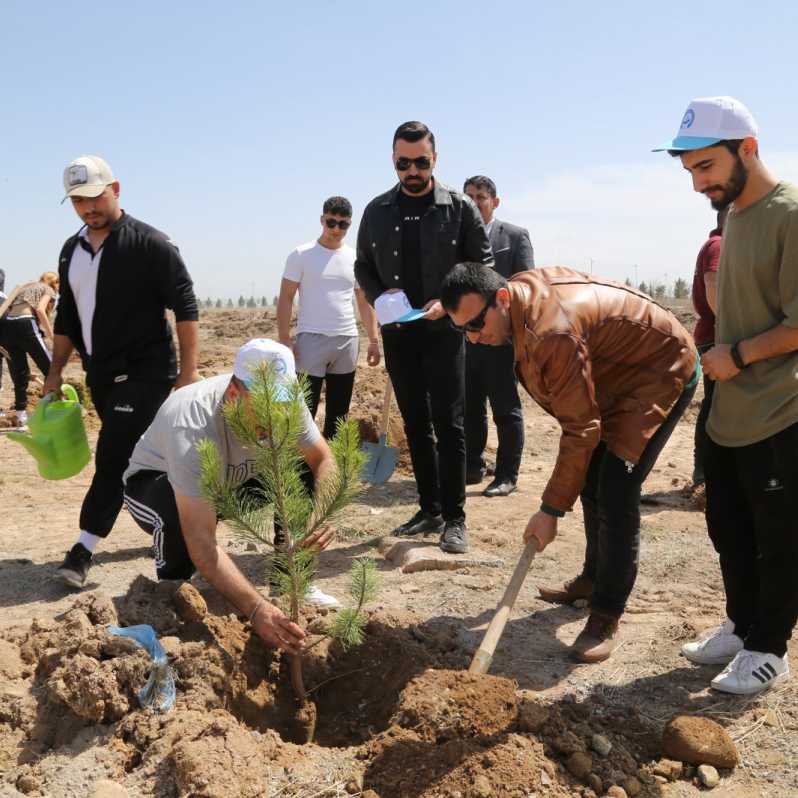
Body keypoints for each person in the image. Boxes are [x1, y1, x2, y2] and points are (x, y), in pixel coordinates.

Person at [440, 263, 698, 663]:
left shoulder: (551, 332)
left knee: (615, 488)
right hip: (615, 376)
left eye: (475, 324)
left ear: (502, 298)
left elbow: (580, 428)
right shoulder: (519, 307)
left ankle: (606, 615)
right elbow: (582, 424)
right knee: (593, 477)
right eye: (462, 330)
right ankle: (594, 579)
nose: (473, 339)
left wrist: (550, 510)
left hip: (661, 371)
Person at [656, 96, 798, 694]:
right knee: (728, 524)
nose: (698, 184)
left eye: (706, 167)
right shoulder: (734, 213)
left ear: (748, 149)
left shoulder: (789, 214)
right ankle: (741, 627)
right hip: (727, 402)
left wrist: (737, 356)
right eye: (690, 171)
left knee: (778, 534)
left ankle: (770, 647)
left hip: (779, 407)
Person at [46, 155, 200, 589]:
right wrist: (55, 372)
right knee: (147, 457)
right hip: (100, 373)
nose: (88, 207)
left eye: (95, 196)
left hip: (146, 370)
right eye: (78, 200)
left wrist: (187, 374)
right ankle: (180, 522)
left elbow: (185, 306)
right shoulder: (70, 251)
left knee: (113, 454)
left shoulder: (151, 244)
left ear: (115, 189)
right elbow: (67, 318)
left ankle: (83, 548)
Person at [122, 339, 338, 649]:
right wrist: (256, 608)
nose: (276, 418)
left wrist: (322, 510)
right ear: (234, 394)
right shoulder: (192, 425)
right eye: (264, 408)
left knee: (299, 469)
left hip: (227, 484)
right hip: (154, 486)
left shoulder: (285, 400)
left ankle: (292, 580)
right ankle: (174, 597)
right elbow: (203, 540)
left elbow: (323, 459)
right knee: (177, 521)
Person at [354, 121, 492, 555]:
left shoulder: (460, 208)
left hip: (444, 331)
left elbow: (483, 266)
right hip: (400, 333)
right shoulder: (377, 210)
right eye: (403, 163)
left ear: (435, 159)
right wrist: (379, 298)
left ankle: (455, 517)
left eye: (420, 162)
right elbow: (362, 267)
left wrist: (450, 304)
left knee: (449, 425)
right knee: (414, 422)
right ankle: (429, 507)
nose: (411, 170)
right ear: (393, 161)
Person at [277, 196, 380, 438]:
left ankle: (330, 471)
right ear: (322, 220)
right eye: (331, 222)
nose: (336, 229)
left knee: (338, 415)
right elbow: (285, 298)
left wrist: (374, 340)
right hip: (310, 340)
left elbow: (364, 302)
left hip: (347, 341)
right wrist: (284, 338)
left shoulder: (355, 259)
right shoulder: (301, 255)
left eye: (343, 225)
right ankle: (301, 472)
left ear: (350, 225)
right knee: (304, 412)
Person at [463, 176, 534, 497]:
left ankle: (507, 475)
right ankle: (472, 466)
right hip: (466, 339)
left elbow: (526, 287)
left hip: (501, 339)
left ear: (495, 201)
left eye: (480, 197)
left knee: (505, 408)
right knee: (469, 406)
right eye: (468, 197)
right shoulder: (456, 238)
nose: (474, 202)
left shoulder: (515, 237)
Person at [690, 209, 726, 486]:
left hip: (715, 334)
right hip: (719, 335)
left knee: (718, 404)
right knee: (715, 404)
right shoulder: (718, 245)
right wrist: (732, 328)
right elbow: (713, 285)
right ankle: (704, 472)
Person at [0, 272, 58, 426]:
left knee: (20, 372)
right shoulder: (47, 289)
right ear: (54, 283)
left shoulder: (25, 287)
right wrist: (53, 337)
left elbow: (8, 307)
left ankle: (21, 417)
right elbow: (40, 310)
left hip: (8, 327)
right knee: (52, 369)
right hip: (25, 324)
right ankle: (53, 411)